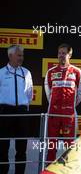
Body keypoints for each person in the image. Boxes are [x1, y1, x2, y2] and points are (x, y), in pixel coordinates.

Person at [44, 43, 81, 162]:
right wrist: (55, 105)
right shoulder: (51, 72)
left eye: (64, 53)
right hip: (53, 113)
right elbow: (48, 93)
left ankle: (68, 169)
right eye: (59, 53)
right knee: (51, 145)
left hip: (69, 114)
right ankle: (49, 169)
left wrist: (70, 105)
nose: (61, 55)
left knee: (70, 145)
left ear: (69, 55)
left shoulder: (77, 72)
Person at [0, 45, 33, 174]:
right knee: (2, 147)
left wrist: (23, 106)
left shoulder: (26, 72)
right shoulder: (1, 73)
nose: (21, 58)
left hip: (22, 112)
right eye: (19, 55)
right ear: (10, 56)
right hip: (5, 112)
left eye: (22, 55)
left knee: (21, 147)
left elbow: (29, 94)